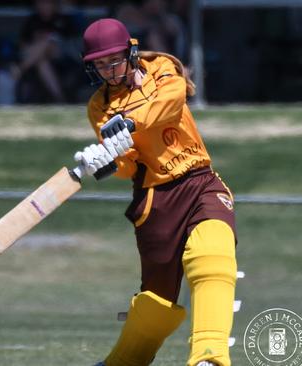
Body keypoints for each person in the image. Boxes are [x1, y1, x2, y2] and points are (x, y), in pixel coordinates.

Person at [73, 18, 237, 366]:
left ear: (130, 52)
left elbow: (172, 101)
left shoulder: (160, 68)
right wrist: (108, 163)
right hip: (156, 198)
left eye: (113, 60)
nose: (108, 70)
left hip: (199, 181)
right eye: (99, 65)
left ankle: (209, 357)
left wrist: (131, 123)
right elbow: (131, 165)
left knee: (213, 253)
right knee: (156, 304)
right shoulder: (99, 107)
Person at [14, 0, 80, 103]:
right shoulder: (32, 20)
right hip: (37, 57)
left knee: (47, 42)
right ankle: (60, 99)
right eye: (40, 3)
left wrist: (46, 40)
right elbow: (22, 44)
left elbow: (70, 44)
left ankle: (20, 69)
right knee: (42, 61)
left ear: (54, 5)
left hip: (61, 55)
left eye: (47, 3)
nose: (44, 6)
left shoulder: (63, 20)